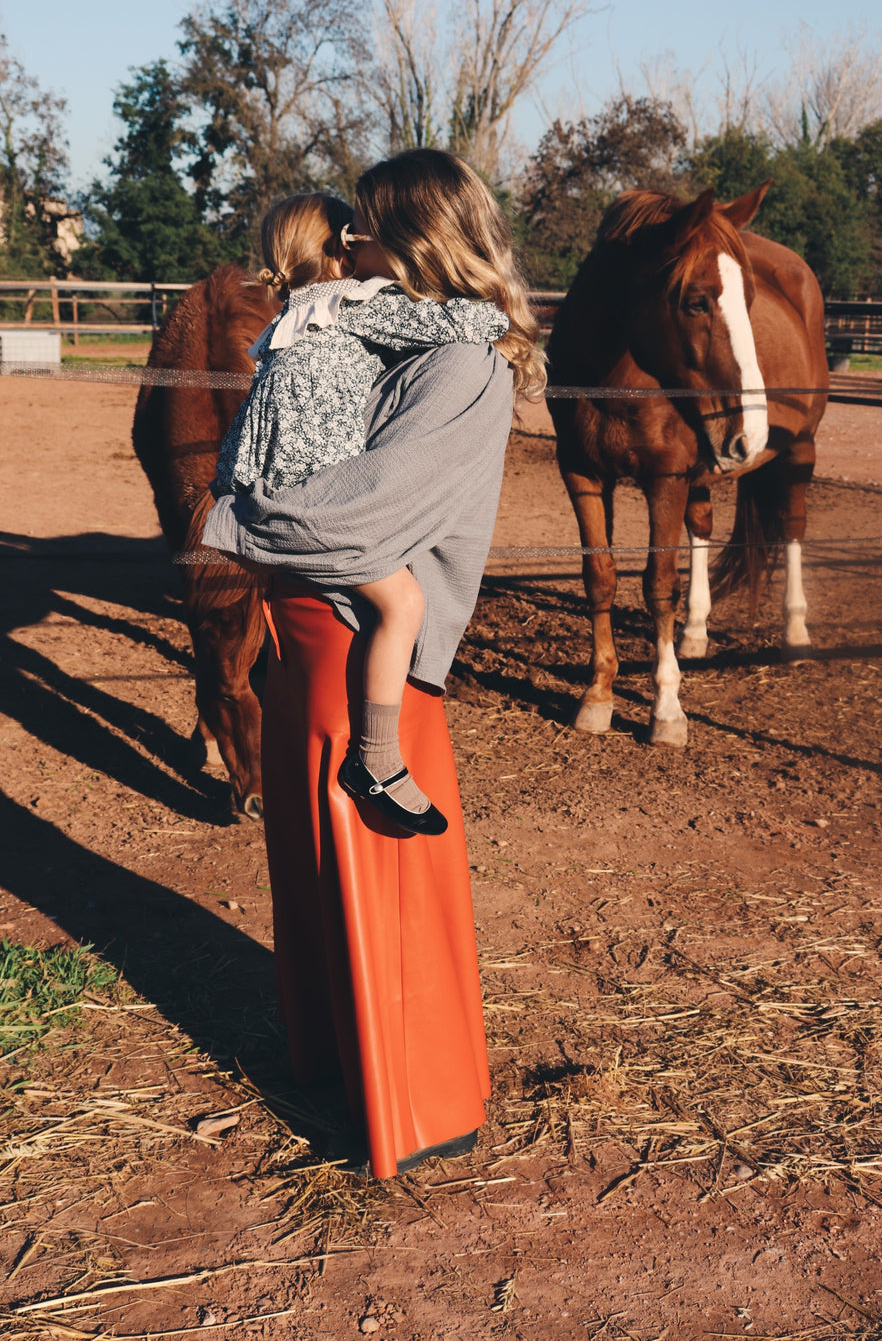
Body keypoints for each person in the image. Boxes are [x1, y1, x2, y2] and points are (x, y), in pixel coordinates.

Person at [203, 148, 545, 1178]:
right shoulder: (382, 333)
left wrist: (246, 517)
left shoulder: (460, 365)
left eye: (367, 228)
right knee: (317, 872)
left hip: (364, 654)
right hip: (317, 646)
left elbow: (371, 513)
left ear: (418, 236)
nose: (350, 243)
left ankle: (418, 1106)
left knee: (378, 876)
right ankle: (341, 1070)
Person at [214, 192, 509, 833]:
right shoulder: (350, 306)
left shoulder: (292, 315)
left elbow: (254, 421)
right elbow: (448, 326)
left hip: (271, 472)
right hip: (317, 483)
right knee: (403, 605)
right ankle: (375, 760)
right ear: (342, 251)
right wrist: (496, 320)